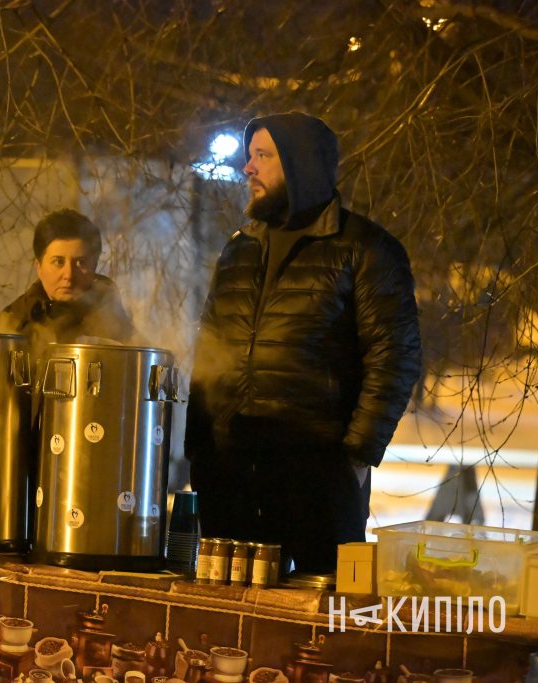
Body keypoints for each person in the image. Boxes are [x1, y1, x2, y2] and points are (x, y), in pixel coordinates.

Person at [185, 112, 422, 573]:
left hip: (315, 480)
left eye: (262, 156)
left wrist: (352, 456)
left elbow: (394, 359)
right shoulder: (238, 249)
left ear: (301, 165)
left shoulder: (365, 249)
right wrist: (199, 448)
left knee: (313, 623)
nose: (247, 168)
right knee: (229, 625)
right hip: (230, 475)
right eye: (249, 156)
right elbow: (207, 352)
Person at [0, 208, 136, 350]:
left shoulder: (117, 326)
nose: (68, 275)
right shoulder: (12, 323)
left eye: (81, 263)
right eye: (58, 262)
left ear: (94, 266)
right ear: (39, 267)